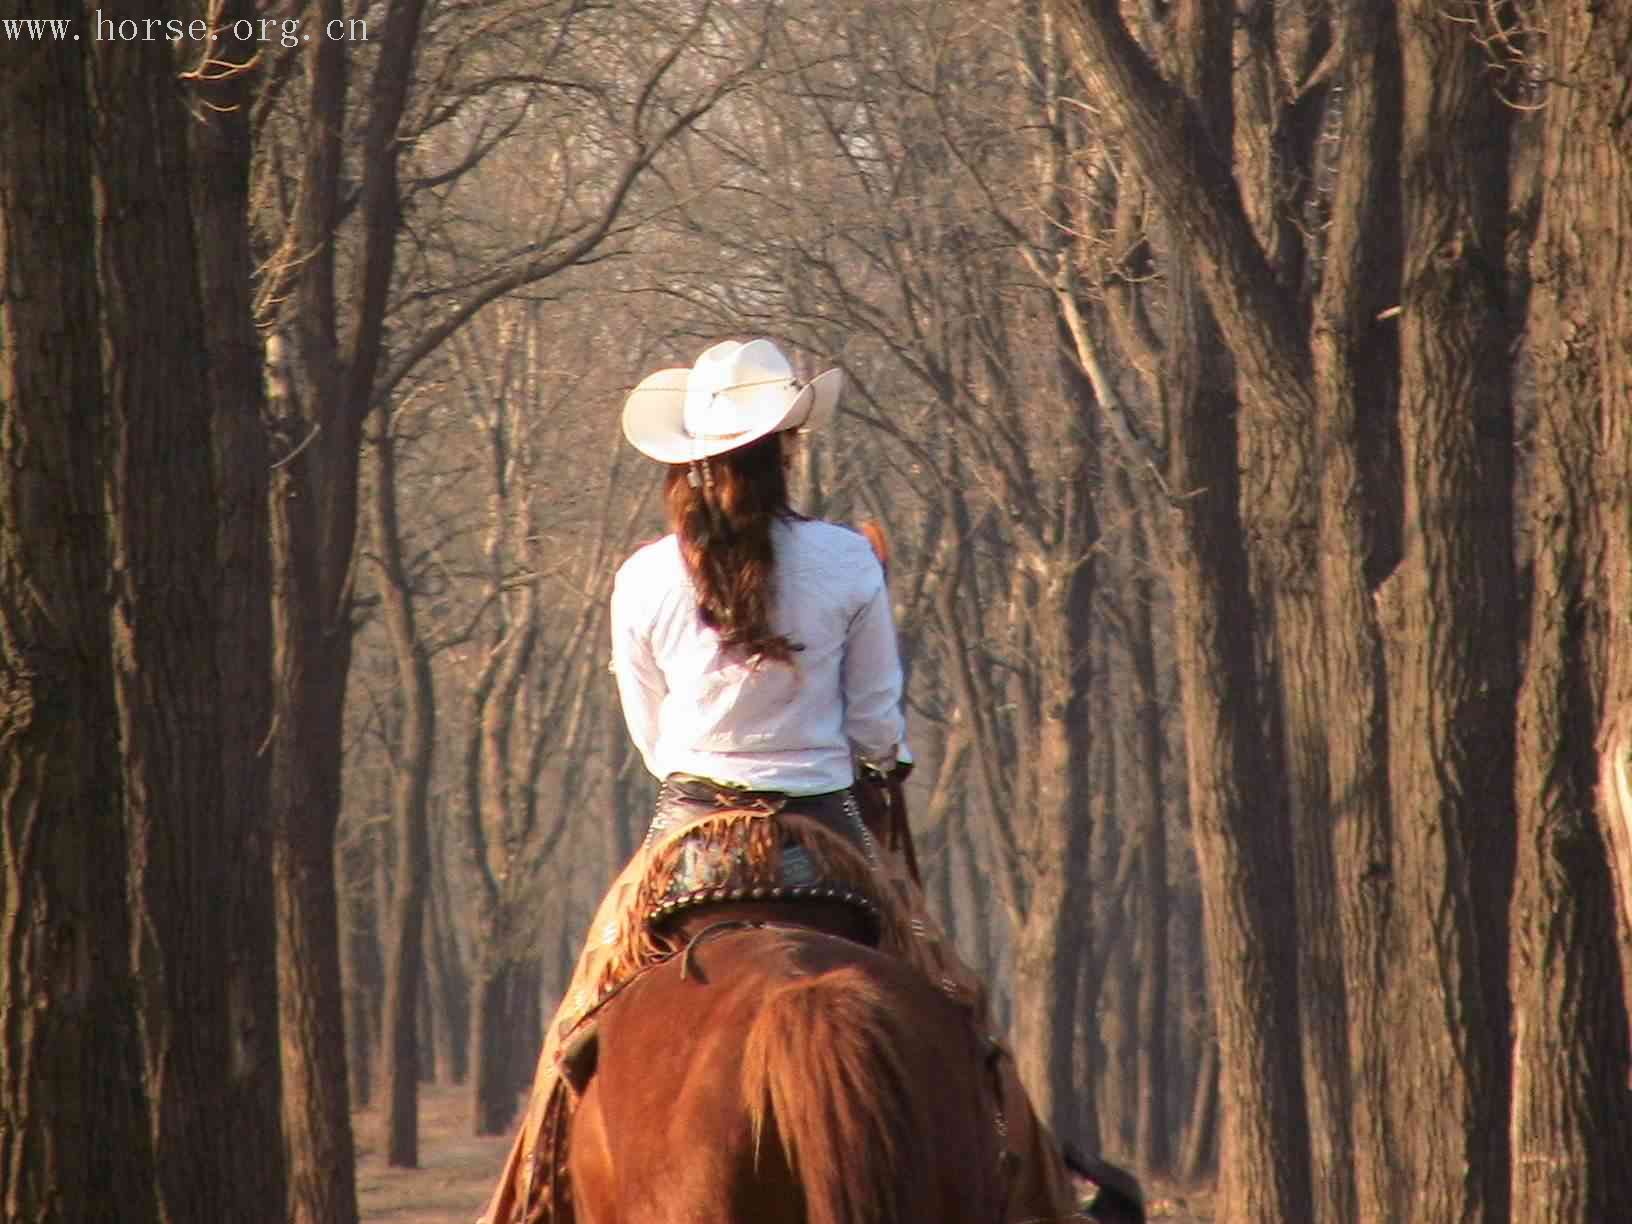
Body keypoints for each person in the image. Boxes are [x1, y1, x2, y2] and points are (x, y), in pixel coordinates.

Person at [479, 338, 1078, 1224]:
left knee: (573, 1034)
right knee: (963, 1015)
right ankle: (1047, 1198)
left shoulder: (643, 577)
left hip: (688, 843)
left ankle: (521, 1202)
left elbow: (653, 741)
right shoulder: (847, 560)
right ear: (787, 449)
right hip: (830, 835)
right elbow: (878, 723)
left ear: (689, 462)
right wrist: (873, 763)